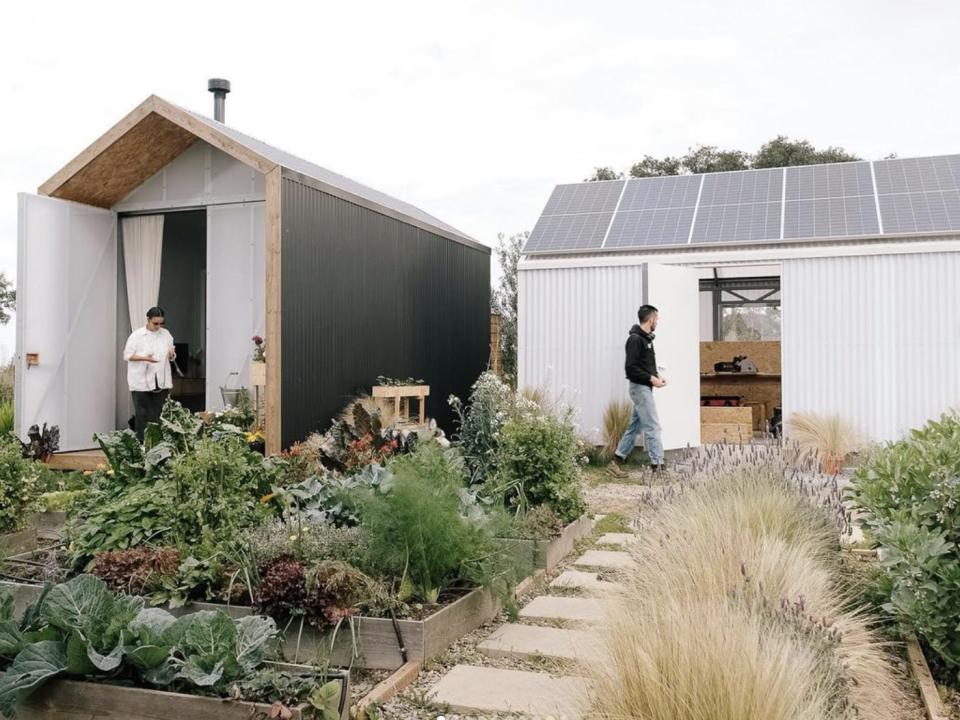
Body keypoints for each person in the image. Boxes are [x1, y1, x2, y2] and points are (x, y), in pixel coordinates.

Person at [607, 304, 666, 477]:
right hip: (640, 389)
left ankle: (616, 461)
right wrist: (650, 379)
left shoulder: (646, 340)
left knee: (634, 428)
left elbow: (644, 366)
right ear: (651, 319)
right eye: (657, 319)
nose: (658, 322)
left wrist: (656, 377)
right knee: (653, 426)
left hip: (644, 388)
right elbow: (631, 368)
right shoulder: (635, 340)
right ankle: (658, 467)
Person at [123, 307, 175, 440]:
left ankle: (158, 443)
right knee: (142, 413)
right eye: (155, 323)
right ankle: (142, 443)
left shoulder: (166, 334)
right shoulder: (137, 335)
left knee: (159, 413)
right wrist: (145, 358)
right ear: (148, 320)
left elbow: (171, 355)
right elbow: (127, 355)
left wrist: (172, 354)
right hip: (141, 380)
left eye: (161, 323)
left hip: (161, 380)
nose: (158, 326)